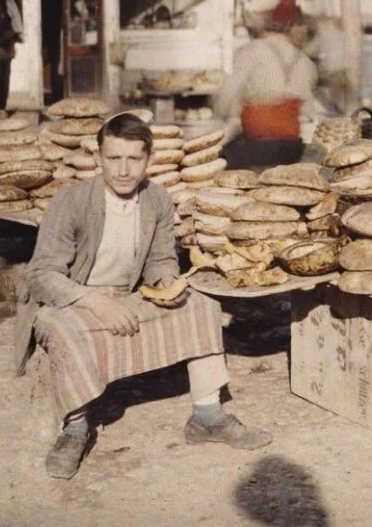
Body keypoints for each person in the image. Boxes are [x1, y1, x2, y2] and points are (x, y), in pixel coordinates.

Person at [17, 114, 272, 480]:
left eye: (133, 159)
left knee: (200, 306)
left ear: (148, 160)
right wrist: (94, 301)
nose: (123, 170)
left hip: (126, 296)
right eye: (114, 158)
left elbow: (161, 260)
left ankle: (207, 416)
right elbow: (42, 276)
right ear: (98, 159)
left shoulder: (156, 200)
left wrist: (166, 282)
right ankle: (74, 428)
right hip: (70, 300)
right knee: (62, 329)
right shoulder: (71, 200)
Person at [215, 0, 318, 167]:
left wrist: (229, 113)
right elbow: (307, 110)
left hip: (256, 143)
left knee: (222, 161)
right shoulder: (304, 60)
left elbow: (226, 97)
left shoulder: (251, 51)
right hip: (292, 147)